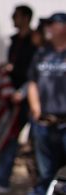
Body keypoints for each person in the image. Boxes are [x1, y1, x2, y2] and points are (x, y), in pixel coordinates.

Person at [0, 4, 37, 193]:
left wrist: (22, 90)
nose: (12, 18)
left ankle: (39, 185)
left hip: (30, 100)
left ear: (26, 18)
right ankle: (2, 180)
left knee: (34, 142)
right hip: (12, 101)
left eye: (16, 15)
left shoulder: (35, 41)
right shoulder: (15, 41)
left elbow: (34, 72)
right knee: (10, 139)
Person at [27, 12, 66, 195]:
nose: (48, 28)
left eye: (53, 24)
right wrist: (35, 106)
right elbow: (32, 81)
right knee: (44, 174)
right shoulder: (42, 54)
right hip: (44, 124)